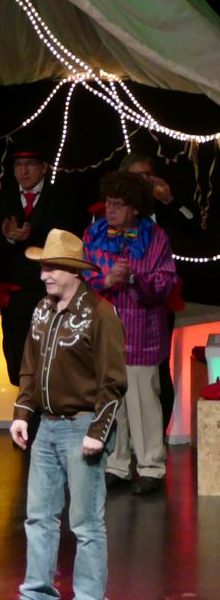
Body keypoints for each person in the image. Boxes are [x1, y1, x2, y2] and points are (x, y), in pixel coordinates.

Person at [0, 230, 125, 600]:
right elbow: (30, 366)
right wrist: (23, 412)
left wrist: (98, 431)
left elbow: (113, 381)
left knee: (85, 523)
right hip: (47, 428)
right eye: (43, 268)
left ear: (73, 270)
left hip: (82, 425)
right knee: (38, 517)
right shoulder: (42, 309)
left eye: (51, 268)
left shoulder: (100, 313)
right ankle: (37, 596)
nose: (44, 276)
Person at [80, 171, 176, 496]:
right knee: (111, 401)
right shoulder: (93, 234)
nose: (110, 209)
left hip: (141, 331)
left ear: (135, 208)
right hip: (105, 330)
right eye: (108, 202)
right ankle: (116, 465)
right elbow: (82, 274)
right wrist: (106, 281)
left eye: (118, 204)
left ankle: (150, 467)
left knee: (142, 400)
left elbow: (165, 283)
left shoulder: (155, 237)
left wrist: (133, 277)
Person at [0, 150, 75, 388]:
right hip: (15, 295)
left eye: (30, 164)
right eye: (18, 165)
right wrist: (9, 238)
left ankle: (49, 407)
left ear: (44, 167)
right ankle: (25, 405)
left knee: (51, 360)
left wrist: (34, 239)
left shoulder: (61, 197)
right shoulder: (3, 199)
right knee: (17, 359)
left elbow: (69, 240)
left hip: (50, 294)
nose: (23, 171)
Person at [120, 152, 190, 427]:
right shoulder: (111, 212)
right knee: (122, 368)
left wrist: (169, 200)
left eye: (148, 175)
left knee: (159, 366)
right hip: (122, 302)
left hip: (159, 299)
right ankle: (124, 435)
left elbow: (192, 224)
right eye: (138, 176)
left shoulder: (162, 210)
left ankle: (157, 434)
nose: (144, 180)